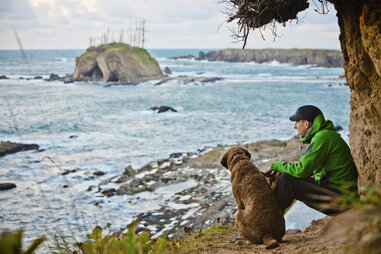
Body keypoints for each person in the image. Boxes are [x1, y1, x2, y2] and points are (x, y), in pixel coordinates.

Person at [263, 105, 358, 215]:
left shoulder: (323, 137)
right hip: (340, 195)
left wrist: (276, 165)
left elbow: (302, 170)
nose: (294, 126)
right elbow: (307, 169)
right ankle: (273, 215)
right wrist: (284, 168)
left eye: (297, 122)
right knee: (286, 174)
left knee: (287, 179)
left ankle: (270, 216)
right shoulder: (325, 135)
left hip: (341, 200)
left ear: (307, 124)